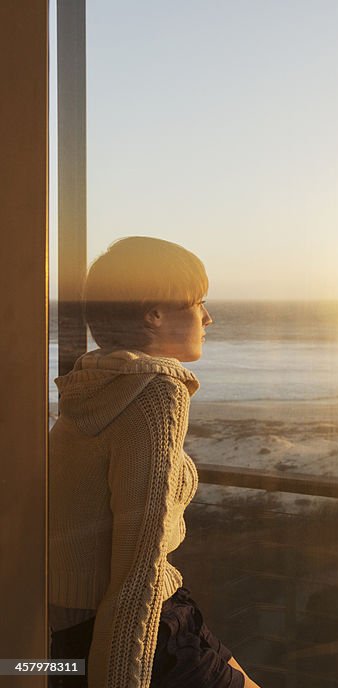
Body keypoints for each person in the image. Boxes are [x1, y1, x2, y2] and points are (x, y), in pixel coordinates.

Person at [48, 237, 260, 688]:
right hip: (142, 628)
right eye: (198, 302)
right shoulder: (157, 394)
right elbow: (138, 559)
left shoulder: (94, 384)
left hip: (84, 624)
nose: (208, 318)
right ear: (154, 314)